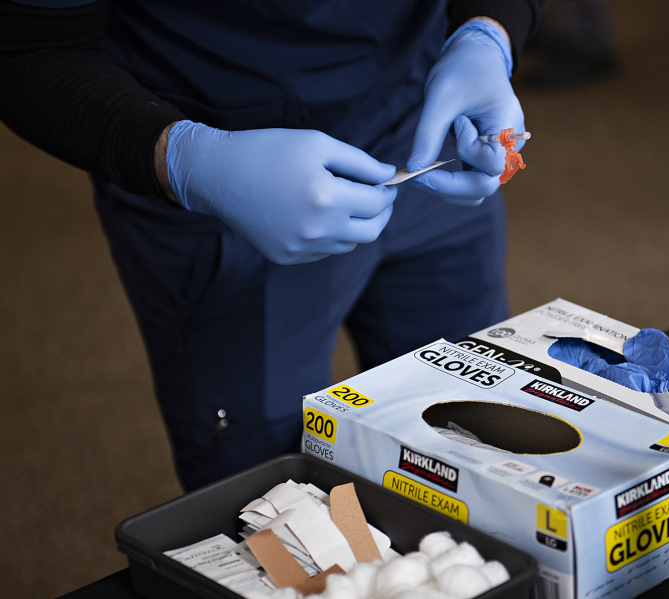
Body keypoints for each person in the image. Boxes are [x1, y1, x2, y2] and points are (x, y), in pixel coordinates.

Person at [0, 0, 543, 490]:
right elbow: (26, 44)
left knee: (481, 437)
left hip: (424, 123)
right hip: (228, 181)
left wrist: (487, 32)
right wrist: (184, 159)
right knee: (272, 506)